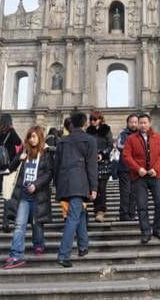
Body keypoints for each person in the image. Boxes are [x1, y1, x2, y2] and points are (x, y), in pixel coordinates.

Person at [3, 126, 53, 269]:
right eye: (30, 136)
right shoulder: (23, 151)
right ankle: (16, 255)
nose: (31, 139)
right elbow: (11, 168)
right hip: (23, 195)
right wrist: (19, 159)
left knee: (37, 222)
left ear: (40, 137)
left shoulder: (46, 153)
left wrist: (36, 185)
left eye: (34, 136)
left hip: (38, 194)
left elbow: (49, 173)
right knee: (19, 225)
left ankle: (39, 244)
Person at [54, 112, 97, 268]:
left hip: (65, 181)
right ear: (85, 123)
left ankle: (83, 245)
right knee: (73, 216)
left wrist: (57, 185)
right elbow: (92, 166)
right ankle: (63, 254)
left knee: (79, 212)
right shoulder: (89, 140)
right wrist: (94, 187)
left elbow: (56, 166)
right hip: (80, 181)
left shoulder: (62, 141)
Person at [122, 113, 160, 244]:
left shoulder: (159, 137)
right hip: (139, 177)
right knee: (142, 205)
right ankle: (145, 231)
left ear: (150, 123)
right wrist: (138, 168)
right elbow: (126, 155)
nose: (142, 125)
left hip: (155, 175)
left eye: (144, 123)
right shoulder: (131, 139)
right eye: (140, 123)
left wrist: (157, 168)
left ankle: (158, 229)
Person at [86, 110, 113, 223]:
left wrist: (102, 154)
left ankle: (100, 211)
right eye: (91, 119)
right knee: (94, 188)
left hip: (104, 163)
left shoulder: (106, 129)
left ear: (100, 120)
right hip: (91, 163)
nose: (93, 122)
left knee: (102, 188)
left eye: (95, 119)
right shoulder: (88, 131)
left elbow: (110, 145)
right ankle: (96, 209)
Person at [116, 113, 138, 221]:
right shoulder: (123, 134)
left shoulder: (141, 134)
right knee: (125, 192)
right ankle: (124, 214)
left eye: (135, 122)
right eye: (131, 122)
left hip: (137, 169)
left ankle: (132, 214)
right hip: (124, 167)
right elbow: (119, 146)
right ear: (127, 123)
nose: (133, 124)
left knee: (134, 193)